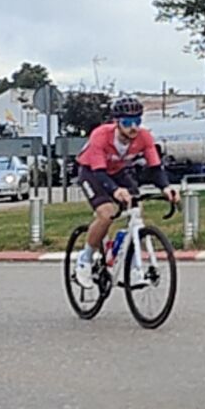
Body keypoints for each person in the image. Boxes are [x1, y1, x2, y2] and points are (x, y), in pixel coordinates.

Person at [73, 95, 175, 281]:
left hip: (118, 170)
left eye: (137, 121)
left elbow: (155, 168)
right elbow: (99, 173)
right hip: (92, 171)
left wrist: (166, 188)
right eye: (127, 122)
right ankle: (85, 258)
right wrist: (115, 191)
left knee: (136, 208)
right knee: (107, 212)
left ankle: (131, 260)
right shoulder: (101, 135)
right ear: (117, 122)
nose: (133, 127)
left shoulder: (144, 137)